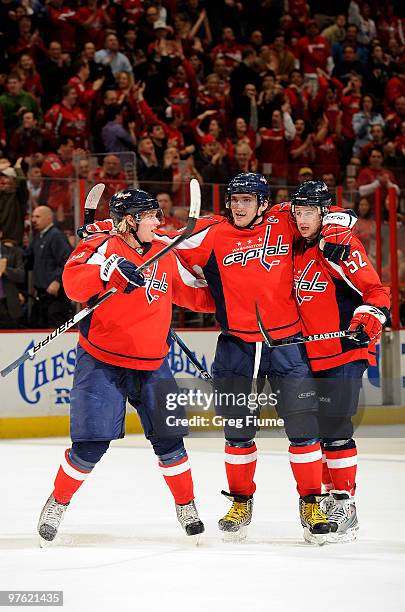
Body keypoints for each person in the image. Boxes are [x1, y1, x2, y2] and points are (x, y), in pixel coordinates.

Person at [78, 173, 358, 542]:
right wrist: (102, 231)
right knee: (237, 432)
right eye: (233, 199)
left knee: (304, 431)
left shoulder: (284, 218)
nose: (238, 207)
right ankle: (240, 501)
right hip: (236, 347)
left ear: (262, 202)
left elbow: (334, 213)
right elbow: (162, 241)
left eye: (246, 200)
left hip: (288, 345)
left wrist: (339, 228)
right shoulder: (210, 231)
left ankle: (310, 503)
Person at [37, 188, 215, 545]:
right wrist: (107, 272)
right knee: (89, 446)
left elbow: (191, 293)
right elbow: (73, 284)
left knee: (171, 441)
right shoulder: (101, 246)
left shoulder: (164, 250)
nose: (157, 221)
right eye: (150, 216)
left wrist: (231, 303)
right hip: (103, 362)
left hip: (152, 363)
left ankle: (186, 505)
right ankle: (57, 502)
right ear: (131, 221)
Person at [291, 180, 390, 542]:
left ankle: (344, 504)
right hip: (308, 354)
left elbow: (376, 290)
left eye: (310, 212)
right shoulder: (296, 249)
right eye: (297, 211)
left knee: (334, 427)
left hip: (343, 352)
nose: (302, 218)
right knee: (310, 432)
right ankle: (325, 501)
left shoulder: (340, 244)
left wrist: (365, 324)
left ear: (323, 211)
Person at [25, 206, 73, 328]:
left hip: (56, 296)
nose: (33, 220)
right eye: (32, 216)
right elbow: (27, 260)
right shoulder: (39, 237)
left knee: (56, 328)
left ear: (49, 218)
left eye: (37, 216)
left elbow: (67, 260)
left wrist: (57, 280)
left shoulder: (56, 236)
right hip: (42, 295)